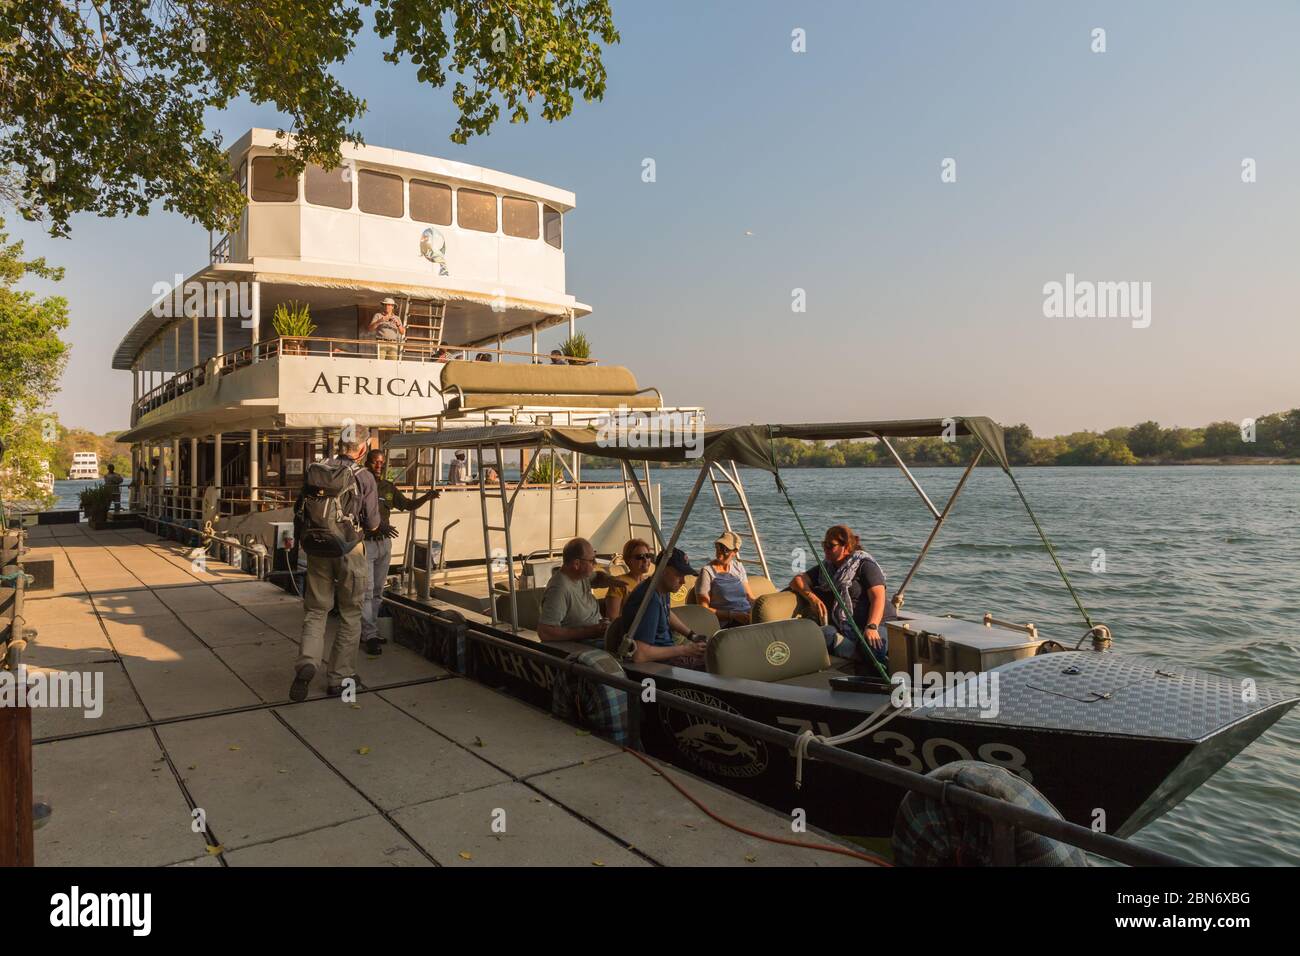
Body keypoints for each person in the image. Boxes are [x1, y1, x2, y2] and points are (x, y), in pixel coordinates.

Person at [290, 426, 380, 701]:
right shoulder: (364, 476)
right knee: (351, 614)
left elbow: (299, 511)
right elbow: (374, 523)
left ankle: (308, 662)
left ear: (338, 444)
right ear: (363, 449)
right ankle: (340, 678)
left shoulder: (315, 470)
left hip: (317, 549)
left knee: (316, 611)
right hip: (350, 550)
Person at [360, 449, 439, 655]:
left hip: (385, 544)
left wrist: (427, 497)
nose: (379, 466)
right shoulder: (359, 485)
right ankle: (368, 635)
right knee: (367, 592)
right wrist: (377, 527)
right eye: (375, 462)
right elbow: (356, 516)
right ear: (366, 463)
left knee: (378, 591)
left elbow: (407, 505)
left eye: (381, 463)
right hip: (365, 544)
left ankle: (371, 631)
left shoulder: (387, 487)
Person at [788, 524, 895, 668]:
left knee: (873, 647)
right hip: (845, 625)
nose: (825, 549)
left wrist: (871, 626)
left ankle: (868, 661)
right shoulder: (827, 567)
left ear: (846, 546)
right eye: (823, 544)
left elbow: (878, 597)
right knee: (821, 634)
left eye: (830, 546)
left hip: (877, 621)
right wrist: (812, 598)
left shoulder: (864, 564)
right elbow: (797, 581)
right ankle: (859, 656)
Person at [621, 548, 708, 668]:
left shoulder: (661, 589)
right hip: (658, 667)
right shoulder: (650, 599)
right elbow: (639, 655)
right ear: (663, 570)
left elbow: (666, 613)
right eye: (679, 575)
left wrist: (692, 636)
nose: (683, 581)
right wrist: (685, 650)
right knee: (715, 664)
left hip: (668, 657)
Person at [537, 537, 614, 642]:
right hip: (582, 644)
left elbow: (597, 577)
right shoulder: (559, 590)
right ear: (576, 564)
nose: (595, 564)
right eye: (592, 561)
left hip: (597, 636)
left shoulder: (581, 576)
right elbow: (545, 632)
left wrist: (611, 580)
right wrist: (590, 632)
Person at [696, 531, 757, 626]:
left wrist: (756, 611)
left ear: (735, 552)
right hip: (728, 622)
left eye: (725, 549)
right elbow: (704, 609)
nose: (720, 551)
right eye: (718, 546)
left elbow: (750, 596)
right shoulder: (707, 572)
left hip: (746, 615)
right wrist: (733, 615)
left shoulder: (738, 567)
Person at [603, 537, 653, 621]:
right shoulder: (618, 584)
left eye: (648, 556)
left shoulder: (650, 582)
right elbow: (612, 618)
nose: (645, 560)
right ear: (628, 560)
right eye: (640, 557)